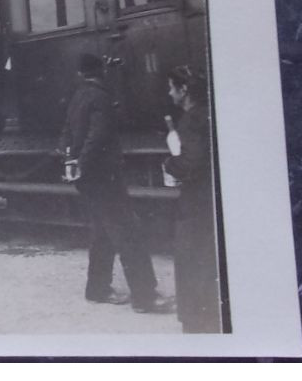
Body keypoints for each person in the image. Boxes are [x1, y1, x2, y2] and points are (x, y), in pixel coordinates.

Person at [61, 53, 172, 314]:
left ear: (80, 74)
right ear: (100, 71)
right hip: (103, 176)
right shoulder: (100, 97)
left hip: (88, 178)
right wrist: (85, 163)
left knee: (102, 232)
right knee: (128, 232)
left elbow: (66, 132)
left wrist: (72, 161)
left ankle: (97, 289)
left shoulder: (78, 96)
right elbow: (97, 136)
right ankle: (145, 298)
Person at [165, 66, 217, 333]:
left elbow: (190, 163)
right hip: (208, 200)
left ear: (184, 90)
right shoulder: (207, 114)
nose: (169, 92)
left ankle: (195, 321)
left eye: (172, 87)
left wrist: (170, 164)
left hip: (195, 202)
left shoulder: (190, 120)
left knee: (191, 257)